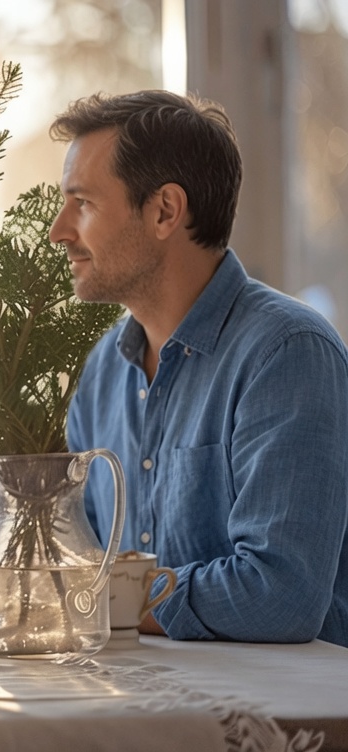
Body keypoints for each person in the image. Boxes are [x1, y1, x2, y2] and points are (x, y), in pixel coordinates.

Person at [53, 90, 348, 648]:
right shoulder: (101, 376)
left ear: (165, 210)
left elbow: (280, 594)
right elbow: (79, 570)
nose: (59, 230)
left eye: (83, 203)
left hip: (284, 724)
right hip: (146, 706)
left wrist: (117, 596)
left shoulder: (288, 354)